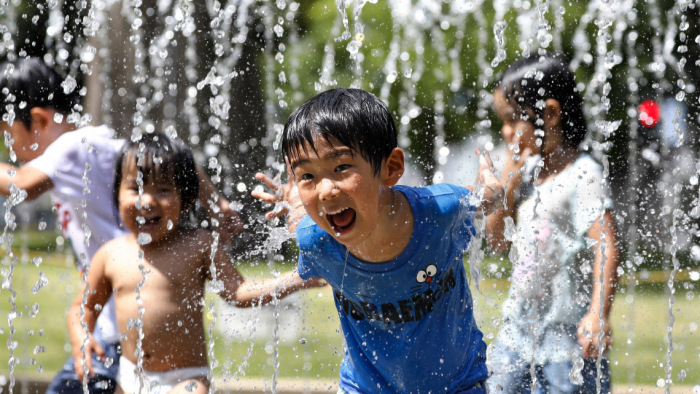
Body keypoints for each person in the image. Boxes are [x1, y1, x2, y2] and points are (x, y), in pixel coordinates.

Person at [0, 57, 242, 393]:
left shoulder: (68, 148)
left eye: (7, 134)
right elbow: (169, 161)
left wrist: (216, 206)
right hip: (117, 318)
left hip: (119, 325)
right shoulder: (97, 142)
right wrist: (216, 204)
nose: (10, 148)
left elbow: (20, 185)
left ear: (38, 119)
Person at [252, 88, 504, 393]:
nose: (326, 191)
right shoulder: (317, 240)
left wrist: (493, 190)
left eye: (341, 167)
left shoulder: (439, 213)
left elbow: (482, 199)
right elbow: (302, 225)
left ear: (392, 168)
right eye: (308, 176)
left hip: (458, 385)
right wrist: (295, 204)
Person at [67, 132, 322, 394]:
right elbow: (83, 307)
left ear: (186, 199)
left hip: (187, 379)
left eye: (163, 189)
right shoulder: (110, 255)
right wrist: (81, 340)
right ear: (117, 193)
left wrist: (297, 279)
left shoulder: (199, 244)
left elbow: (237, 293)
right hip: (131, 377)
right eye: (135, 188)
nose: (146, 201)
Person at [484, 53, 620, 393]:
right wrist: (508, 184)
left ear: (551, 114)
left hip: (567, 337)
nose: (506, 131)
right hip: (516, 331)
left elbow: (606, 244)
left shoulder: (583, 175)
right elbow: (497, 241)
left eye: (514, 119)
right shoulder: (526, 176)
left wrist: (597, 315)